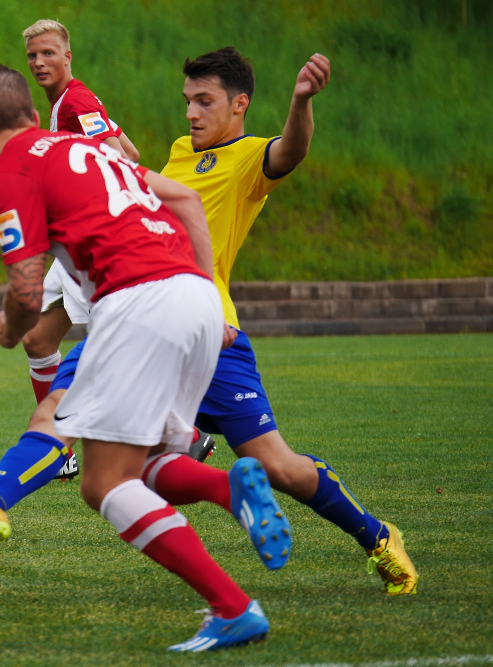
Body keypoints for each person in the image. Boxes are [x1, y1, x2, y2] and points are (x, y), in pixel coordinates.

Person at [0, 62, 290, 651]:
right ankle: (230, 491)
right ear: (31, 112)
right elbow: (180, 197)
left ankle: (232, 606)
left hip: (137, 303)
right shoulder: (86, 148)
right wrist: (205, 287)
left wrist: (8, 328)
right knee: (145, 460)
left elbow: (27, 289)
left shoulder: (10, 170)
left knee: (102, 485)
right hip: (198, 300)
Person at [150, 47, 416, 596]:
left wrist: (301, 100)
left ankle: (378, 537)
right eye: (187, 102)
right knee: (124, 461)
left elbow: (290, 150)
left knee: (281, 469)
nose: (192, 114)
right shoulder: (180, 152)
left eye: (205, 102)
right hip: (158, 331)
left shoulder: (248, 157)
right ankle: (191, 450)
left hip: (213, 334)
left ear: (239, 105)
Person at [19, 20, 215, 477]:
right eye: (32, 56)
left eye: (48, 53)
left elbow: (114, 153)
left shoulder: (78, 101)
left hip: (97, 241)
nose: (39, 63)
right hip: (78, 242)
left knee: (107, 352)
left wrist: (95, 196)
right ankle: (67, 452)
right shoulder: (72, 102)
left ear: (68, 56)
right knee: (39, 340)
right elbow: (131, 148)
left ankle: (175, 437)